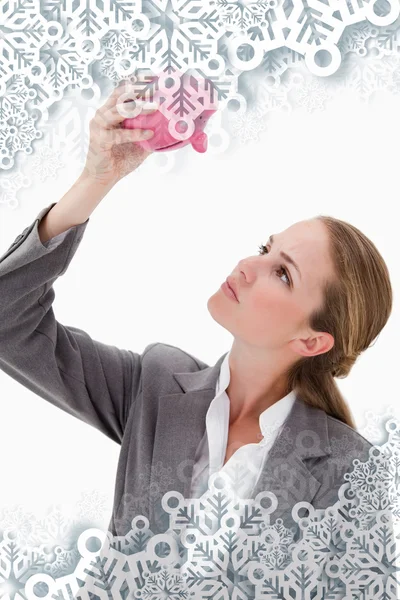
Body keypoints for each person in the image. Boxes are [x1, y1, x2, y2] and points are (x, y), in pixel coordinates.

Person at [0, 80, 393, 544]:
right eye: (265, 249)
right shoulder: (155, 386)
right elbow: (9, 320)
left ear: (312, 340)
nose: (248, 266)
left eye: (283, 273)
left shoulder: (350, 473)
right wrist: (96, 178)